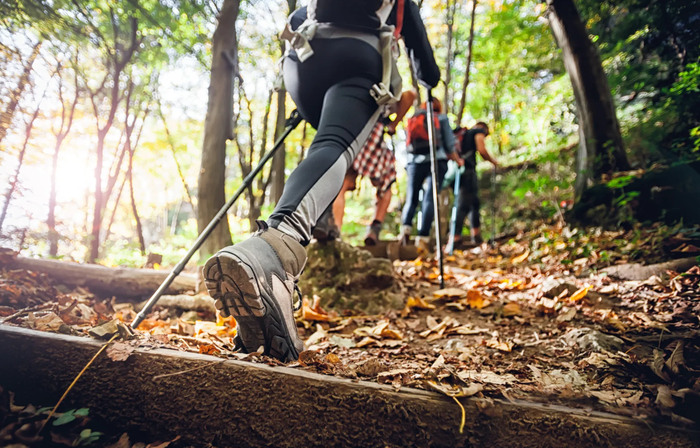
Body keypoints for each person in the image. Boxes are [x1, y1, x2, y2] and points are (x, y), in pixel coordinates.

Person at [203, 0, 440, 362]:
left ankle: (317, 226)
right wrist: (429, 81)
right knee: (335, 145)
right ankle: (276, 252)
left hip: (301, 59)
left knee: (325, 144)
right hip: (355, 57)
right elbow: (424, 64)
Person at [315, 90, 416, 245]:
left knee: (341, 185)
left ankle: (334, 230)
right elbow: (411, 94)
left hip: (351, 134)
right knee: (385, 184)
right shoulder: (383, 88)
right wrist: (393, 124)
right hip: (374, 138)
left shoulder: (351, 90)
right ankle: (374, 228)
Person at [400, 98, 462, 252]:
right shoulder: (441, 118)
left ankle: (405, 231)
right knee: (430, 198)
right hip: (436, 160)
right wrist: (457, 159)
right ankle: (422, 238)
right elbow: (449, 143)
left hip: (414, 162)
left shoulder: (415, 117)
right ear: (438, 107)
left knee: (412, 198)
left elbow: (406, 144)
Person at [450, 121, 499, 246]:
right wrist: (493, 161)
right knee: (463, 204)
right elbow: (481, 150)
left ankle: (476, 235)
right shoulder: (478, 131)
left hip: (456, 172)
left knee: (474, 203)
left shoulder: (463, 134)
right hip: (467, 170)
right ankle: (455, 238)